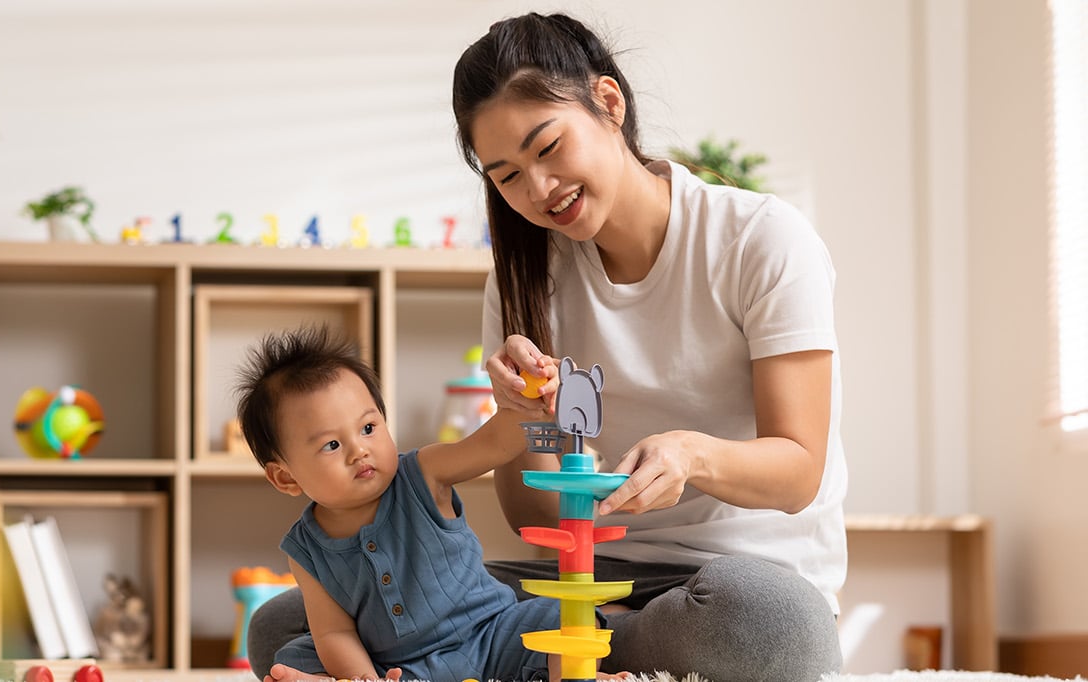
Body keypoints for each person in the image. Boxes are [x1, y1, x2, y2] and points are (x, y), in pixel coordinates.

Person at [452, 11, 848, 682]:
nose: (539, 190)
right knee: (300, 617)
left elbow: (798, 471)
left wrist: (690, 453)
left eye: (547, 148)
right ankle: (597, 654)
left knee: (771, 628)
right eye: (508, 176)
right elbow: (528, 514)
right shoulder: (522, 281)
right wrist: (529, 425)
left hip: (731, 586)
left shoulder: (761, 240)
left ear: (609, 103)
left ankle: (553, 659)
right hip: (584, 581)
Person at [234, 325, 629, 682]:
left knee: (560, 620)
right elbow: (334, 632)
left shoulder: (424, 472)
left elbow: (494, 443)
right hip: (401, 667)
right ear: (285, 477)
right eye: (332, 445)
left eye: (369, 428)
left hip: (492, 633)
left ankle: (579, 677)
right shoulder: (305, 551)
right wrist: (363, 679)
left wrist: (532, 398)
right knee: (294, 656)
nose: (360, 451)